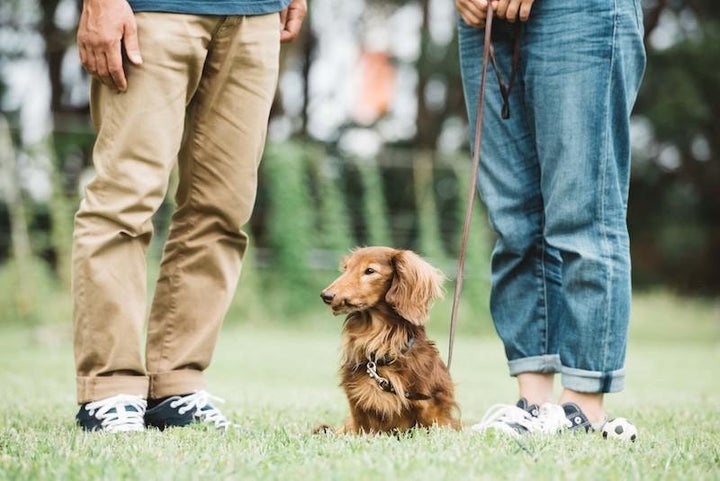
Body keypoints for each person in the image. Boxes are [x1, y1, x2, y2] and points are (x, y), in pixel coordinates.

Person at [72, 0, 307, 432]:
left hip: (254, 17)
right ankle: (109, 390)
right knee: (124, 202)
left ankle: (176, 387)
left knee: (223, 209)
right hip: (152, 11)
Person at [455, 0, 646, 435]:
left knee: (583, 213)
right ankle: (534, 404)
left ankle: (583, 408)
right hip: (481, 18)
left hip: (581, 14)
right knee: (513, 219)